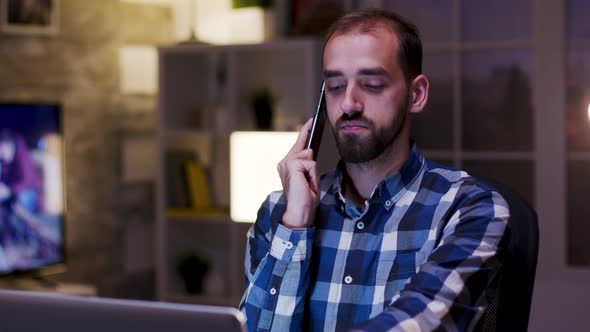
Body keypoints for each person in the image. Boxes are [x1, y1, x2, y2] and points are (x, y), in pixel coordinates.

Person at [239, 8, 509, 332]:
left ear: (416, 94)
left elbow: (419, 325)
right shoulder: (277, 213)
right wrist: (295, 225)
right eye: (336, 86)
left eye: (371, 84)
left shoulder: (469, 209)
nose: (349, 104)